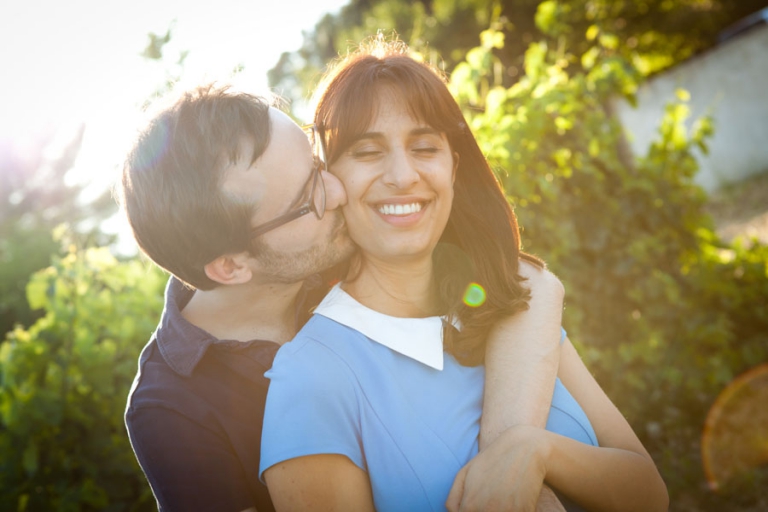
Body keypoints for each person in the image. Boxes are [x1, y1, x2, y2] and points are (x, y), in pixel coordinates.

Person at [118, 83, 572, 512]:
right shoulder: (170, 409)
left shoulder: (340, 247)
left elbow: (521, 278)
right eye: (308, 199)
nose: (337, 192)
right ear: (232, 267)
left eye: (317, 165)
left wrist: (509, 459)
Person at [259, 38, 670, 512]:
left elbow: (649, 493)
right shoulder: (310, 377)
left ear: (454, 167)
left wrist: (535, 451)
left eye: (425, 146)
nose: (402, 175)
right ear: (330, 181)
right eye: (368, 152)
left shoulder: (510, 302)